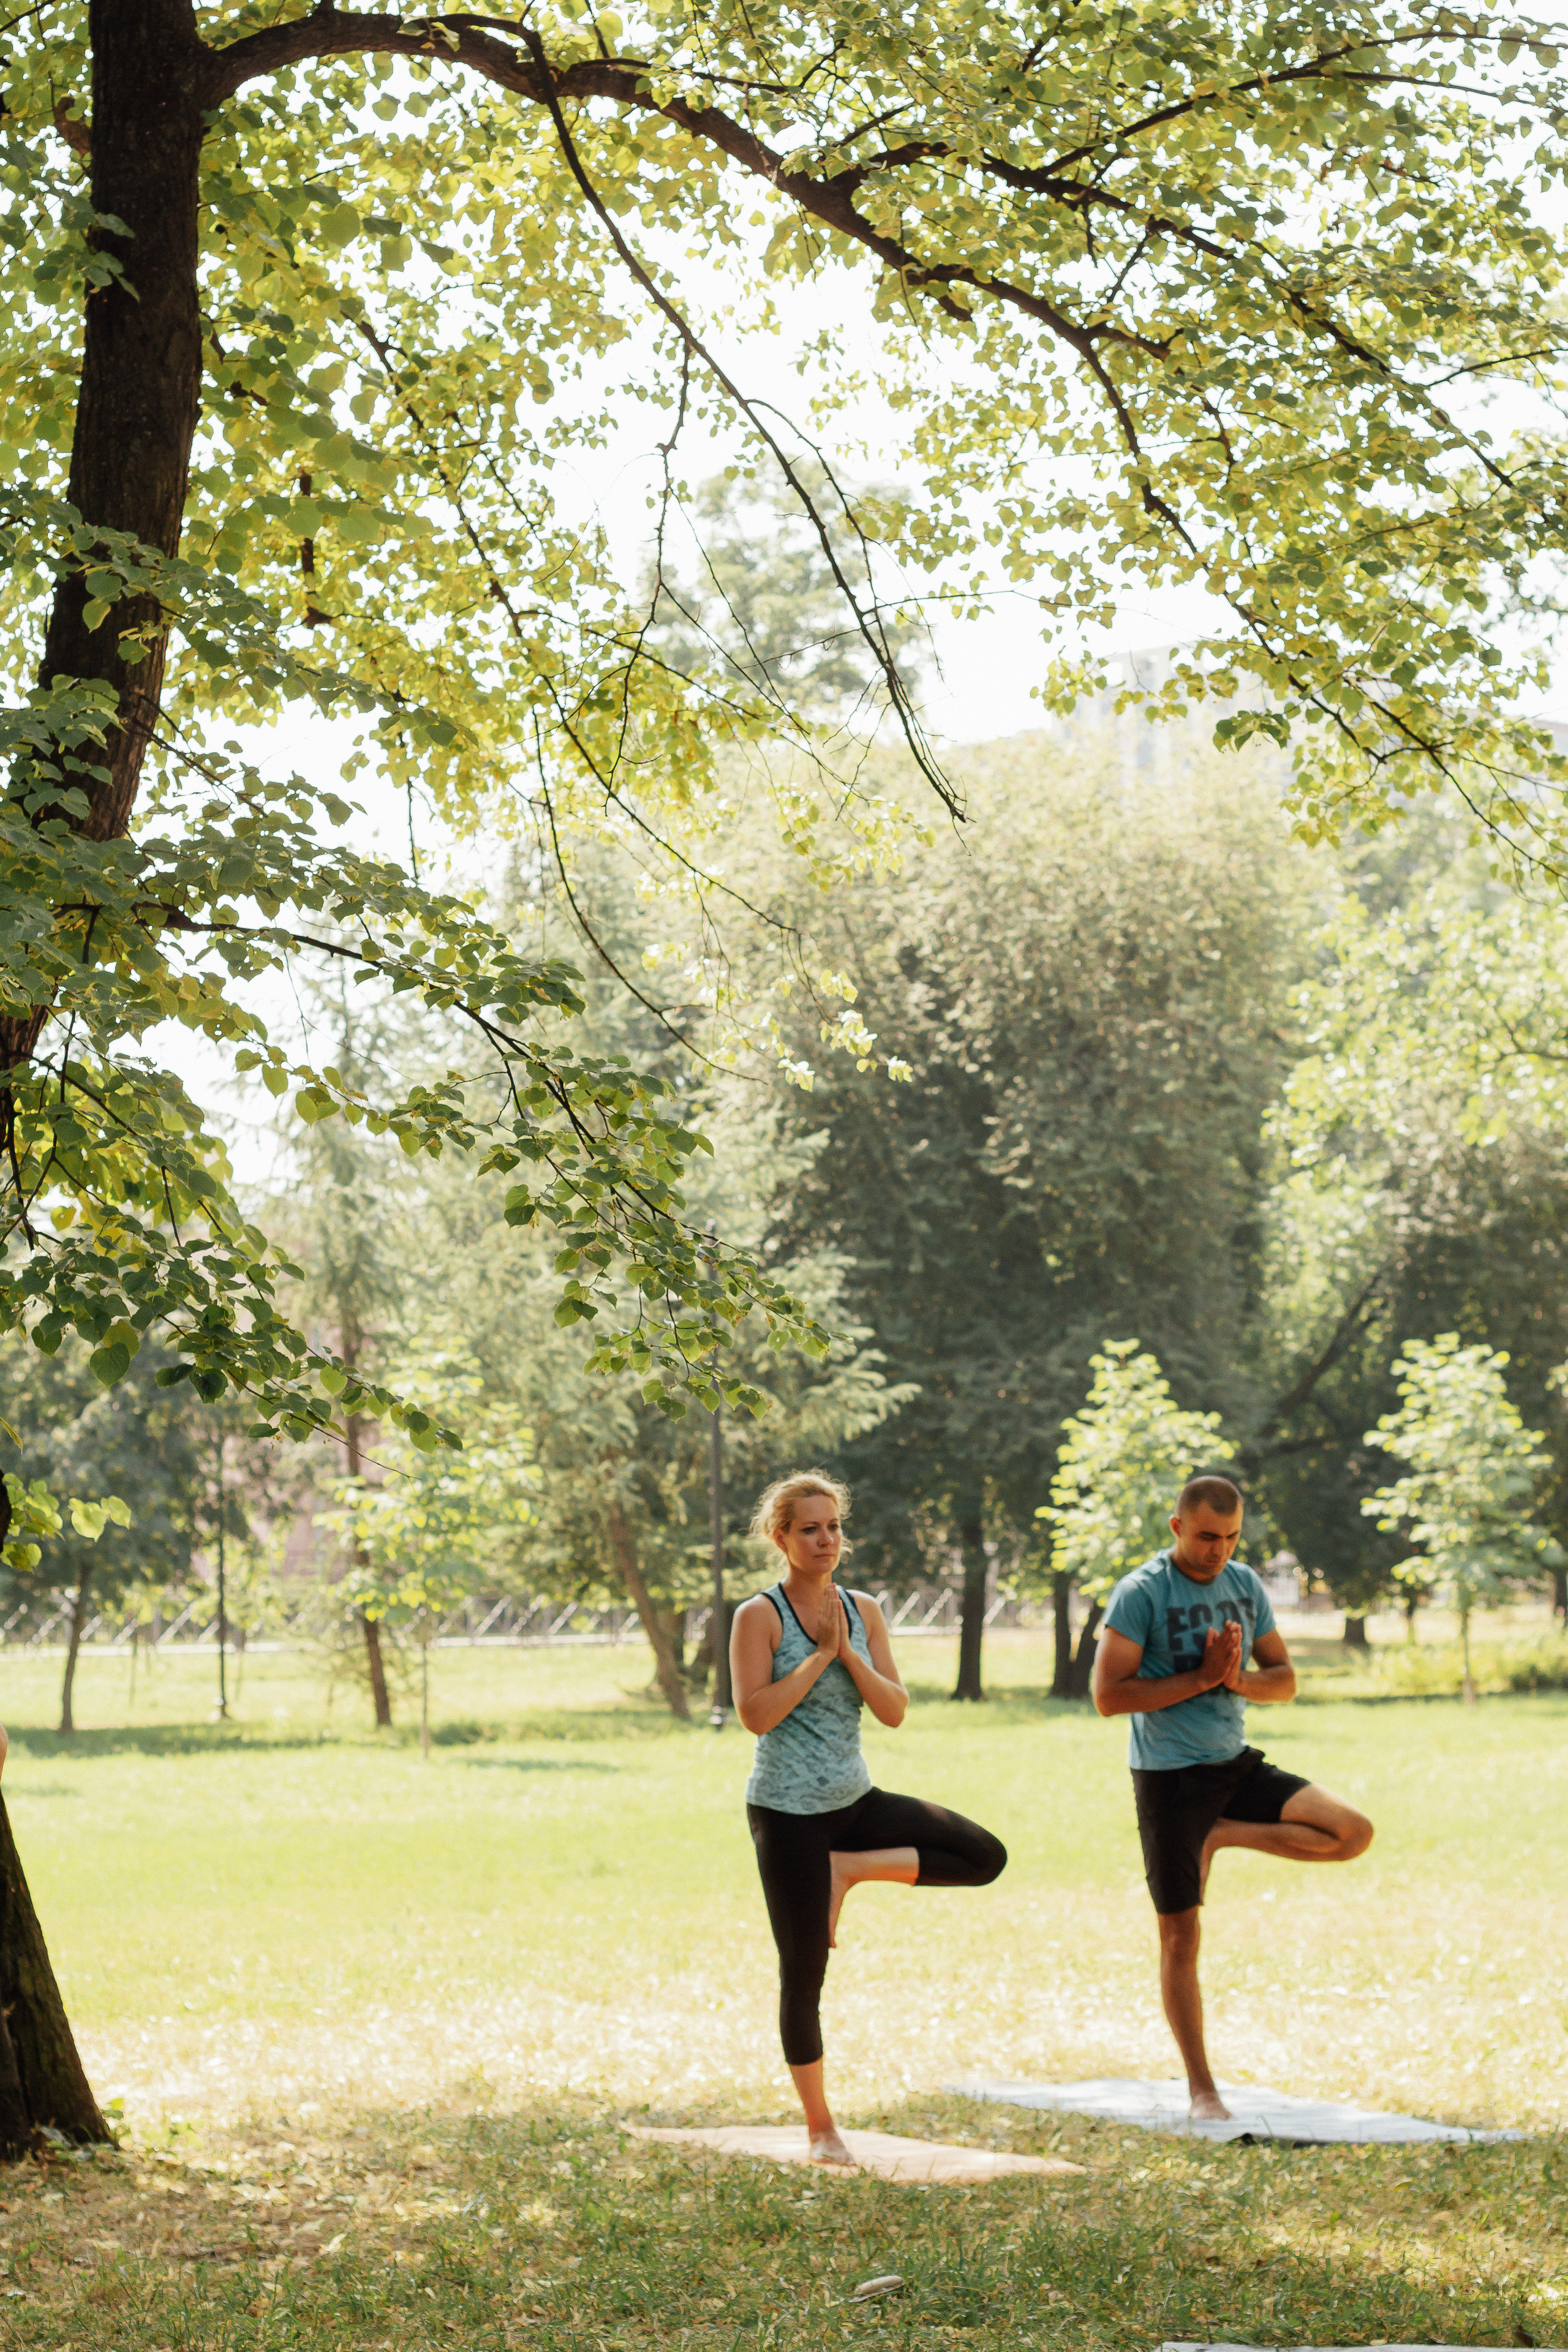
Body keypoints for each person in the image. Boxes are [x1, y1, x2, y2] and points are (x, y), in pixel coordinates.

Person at [731, 1471, 1008, 2165]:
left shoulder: (864, 1608)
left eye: (832, 1528)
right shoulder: (758, 1617)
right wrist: (818, 1655)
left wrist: (848, 1650)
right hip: (787, 1814)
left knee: (983, 1856)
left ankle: (848, 1870)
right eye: (808, 1529)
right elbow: (754, 1715)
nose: (825, 1540)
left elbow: (892, 1709)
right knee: (803, 1971)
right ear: (780, 1537)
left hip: (855, 1805)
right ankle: (821, 2127)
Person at [1091, 1473, 1373, 2120]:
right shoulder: (1141, 1592)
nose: (1218, 1550)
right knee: (1180, 1938)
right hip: (1168, 1779)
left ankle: (1224, 1833)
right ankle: (1202, 2089)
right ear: (1177, 1529)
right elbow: (1109, 1697)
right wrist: (1200, 1677)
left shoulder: (1243, 1585)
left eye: (1230, 1537)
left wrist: (1235, 1680)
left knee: (1350, 1831)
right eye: (1206, 1537)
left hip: (1234, 1766)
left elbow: (1284, 1681)